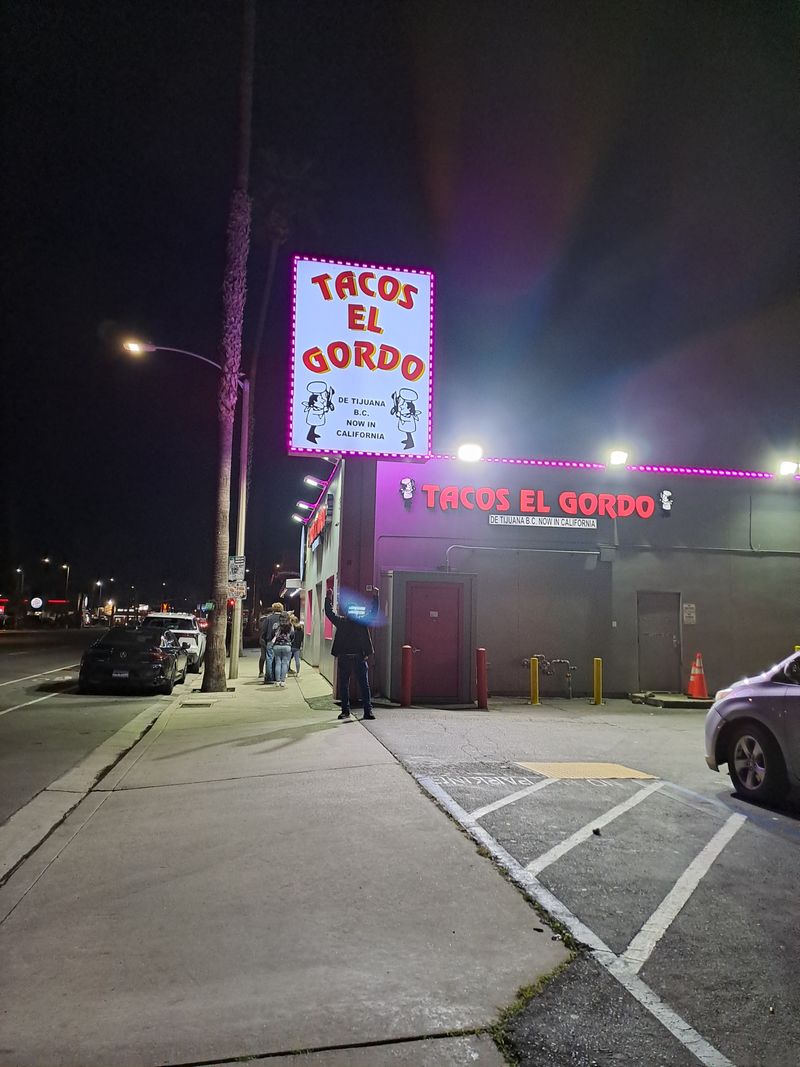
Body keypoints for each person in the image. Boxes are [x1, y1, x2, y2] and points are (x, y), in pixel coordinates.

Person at [324, 589, 375, 720]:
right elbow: (373, 613)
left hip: (345, 658)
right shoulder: (361, 623)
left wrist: (328, 598)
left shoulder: (341, 622)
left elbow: (329, 613)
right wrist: (376, 597)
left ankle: (345, 711)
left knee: (344, 685)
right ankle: (367, 711)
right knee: (364, 685)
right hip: (359, 658)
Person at [259, 602, 284, 684]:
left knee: (269, 659)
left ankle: (269, 677)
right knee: (280, 660)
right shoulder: (284, 618)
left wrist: (264, 640)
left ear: (273, 609)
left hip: (271, 641)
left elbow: (264, 630)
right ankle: (279, 677)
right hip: (282, 642)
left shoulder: (268, 618)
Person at [269, 611, 294, 687]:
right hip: (287, 646)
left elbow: (272, 634)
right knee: (285, 663)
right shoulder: (290, 625)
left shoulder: (276, 625)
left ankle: (277, 681)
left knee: (278, 663)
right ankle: (283, 681)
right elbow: (292, 635)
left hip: (276, 646)